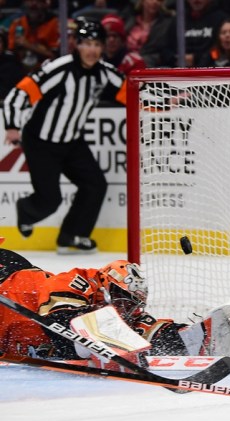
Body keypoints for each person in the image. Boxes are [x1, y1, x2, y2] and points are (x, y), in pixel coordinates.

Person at [0, 248, 230, 362]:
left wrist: (204, 336)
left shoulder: (122, 317)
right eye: (123, 301)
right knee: (85, 335)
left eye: (132, 306)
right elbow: (62, 324)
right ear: (106, 287)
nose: (127, 311)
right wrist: (94, 340)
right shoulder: (77, 281)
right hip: (8, 283)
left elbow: (149, 332)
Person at [2, 20, 125, 254]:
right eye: (87, 43)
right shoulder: (59, 69)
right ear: (77, 45)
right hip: (41, 142)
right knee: (50, 200)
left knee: (95, 185)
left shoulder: (105, 74)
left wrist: (165, 101)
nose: (92, 50)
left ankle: (72, 235)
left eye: (97, 44)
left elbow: (133, 93)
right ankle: (26, 209)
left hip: (72, 142)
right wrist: (11, 125)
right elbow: (20, 93)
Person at [6, 0, 59, 72]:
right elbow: (10, 51)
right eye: (30, 0)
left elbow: (54, 56)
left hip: (47, 69)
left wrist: (28, 45)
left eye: (38, 1)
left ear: (45, 4)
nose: (34, 4)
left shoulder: (54, 23)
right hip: (20, 68)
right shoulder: (18, 23)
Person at [124, 0, 173, 68]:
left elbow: (165, 53)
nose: (155, 2)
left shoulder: (167, 24)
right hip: (126, 63)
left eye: (159, 0)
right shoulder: (130, 19)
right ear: (142, 1)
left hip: (151, 66)